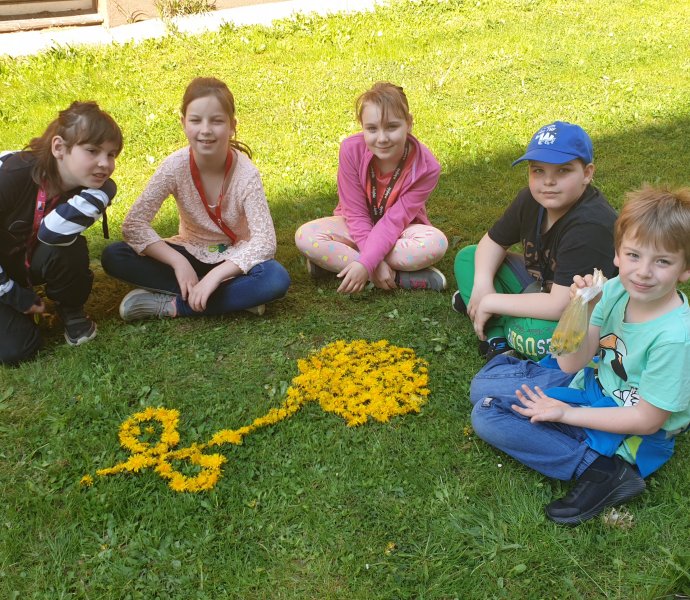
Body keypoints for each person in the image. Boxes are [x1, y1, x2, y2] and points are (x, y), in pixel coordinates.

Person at [469, 185, 690, 525]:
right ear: (617, 255)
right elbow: (570, 362)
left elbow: (648, 420)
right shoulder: (614, 290)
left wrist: (566, 414)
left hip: (632, 427)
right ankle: (545, 396)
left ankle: (601, 469)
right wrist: (582, 311)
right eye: (634, 255)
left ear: (685, 269)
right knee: (482, 387)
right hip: (592, 384)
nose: (643, 271)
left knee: (487, 415)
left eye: (662, 261)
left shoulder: (675, 338)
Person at [102, 77, 290, 320]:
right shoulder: (174, 166)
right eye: (195, 120)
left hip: (233, 258)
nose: (205, 130)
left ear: (232, 126)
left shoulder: (246, 174)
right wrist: (179, 263)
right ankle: (235, 296)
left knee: (275, 278)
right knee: (115, 255)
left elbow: (265, 242)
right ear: (183, 123)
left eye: (217, 121)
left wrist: (215, 276)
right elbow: (134, 224)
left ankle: (175, 305)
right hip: (189, 251)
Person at [453, 121, 618, 361]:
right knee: (469, 257)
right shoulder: (531, 200)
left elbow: (560, 306)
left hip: (582, 313)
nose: (548, 181)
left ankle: (486, 312)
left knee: (536, 335)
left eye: (563, 170)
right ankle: (496, 337)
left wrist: (491, 301)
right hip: (542, 287)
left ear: (587, 173)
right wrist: (483, 285)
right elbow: (492, 242)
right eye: (538, 170)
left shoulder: (590, 225)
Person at [294, 82, 448, 294]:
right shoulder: (350, 150)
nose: (382, 138)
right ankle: (397, 276)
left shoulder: (427, 167)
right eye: (372, 129)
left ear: (409, 123)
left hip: (400, 231)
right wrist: (371, 263)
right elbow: (355, 214)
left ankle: (340, 264)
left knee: (436, 243)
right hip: (355, 227)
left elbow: (394, 221)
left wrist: (366, 263)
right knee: (305, 236)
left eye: (392, 127)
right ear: (362, 126)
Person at [0, 101, 122, 365]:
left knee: (68, 243)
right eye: (92, 151)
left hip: (23, 262)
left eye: (111, 154)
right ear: (59, 148)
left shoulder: (90, 187)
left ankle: (71, 310)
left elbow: (54, 233)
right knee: (17, 349)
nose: (105, 164)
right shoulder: (12, 174)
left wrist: (105, 191)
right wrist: (14, 296)